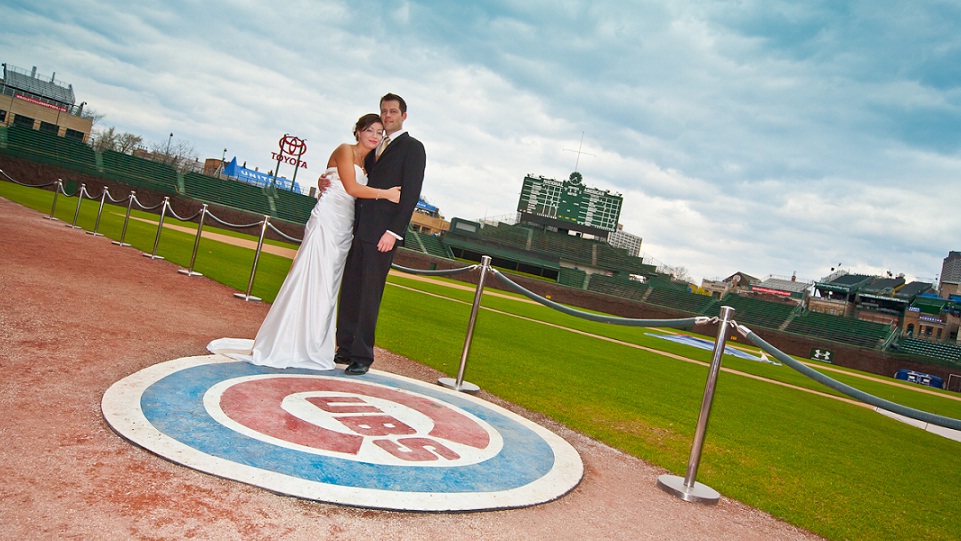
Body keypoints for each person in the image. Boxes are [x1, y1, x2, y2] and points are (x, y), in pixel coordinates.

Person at [206, 113, 400, 370]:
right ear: (358, 131)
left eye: (379, 132)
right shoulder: (344, 150)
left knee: (328, 287)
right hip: (327, 219)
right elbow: (352, 188)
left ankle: (313, 344)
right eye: (370, 131)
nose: (374, 136)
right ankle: (288, 342)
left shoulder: (371, 162)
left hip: (345, 226)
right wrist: (385, 194)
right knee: (309, 276)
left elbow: (347, 189)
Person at [334, 93, 427, 375]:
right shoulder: (376, 146)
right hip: (359, 227)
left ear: (404, 116)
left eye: (393, 112)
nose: (387, 116)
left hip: (382, 234)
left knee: (369, 294)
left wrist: (394, 232)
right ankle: (345, 347)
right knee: (351, 289)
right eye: (384, 111)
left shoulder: (413, 147)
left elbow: (410, 195)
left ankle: (363, 355)